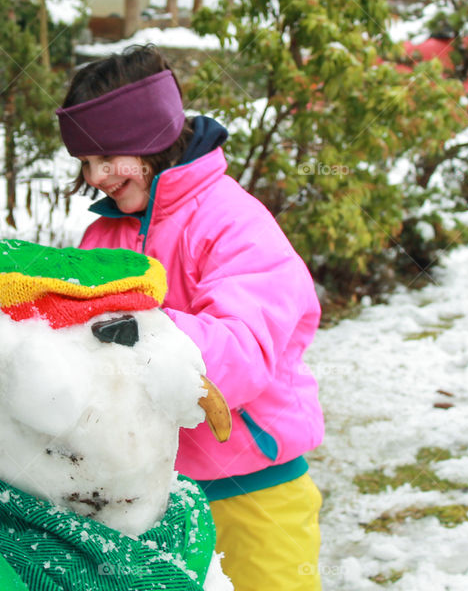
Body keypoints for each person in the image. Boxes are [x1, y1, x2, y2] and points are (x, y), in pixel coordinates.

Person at [56, 45, 324, 590]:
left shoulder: (233, 222)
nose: (97, 176)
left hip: (251, 485)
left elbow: (243, 352)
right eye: (85, 163)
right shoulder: (103, 235)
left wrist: (137, 333)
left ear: (151, 136)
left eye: (107, 157)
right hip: (146, 490)